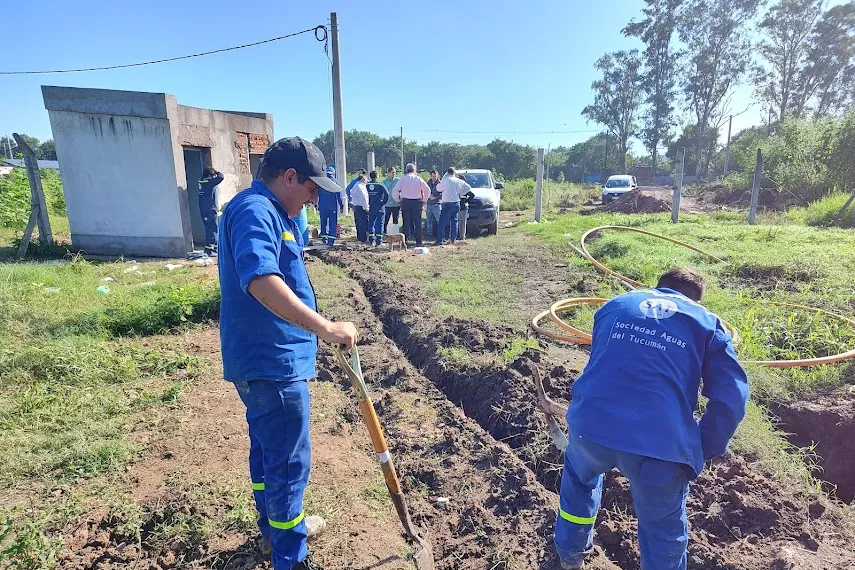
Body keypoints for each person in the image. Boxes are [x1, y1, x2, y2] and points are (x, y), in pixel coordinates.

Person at [218, 136, 358, 570]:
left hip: (270, 358)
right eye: (312, 186)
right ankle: (291, 557)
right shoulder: (255, 211)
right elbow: (261, 280)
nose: (316, 196)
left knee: (267, 453)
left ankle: (274, 530)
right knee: (287, 463)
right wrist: (326, 327)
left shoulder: (278, 211)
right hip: (271, 362)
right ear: (289, 176)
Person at [554, 268, 749, 570]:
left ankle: (569, 554)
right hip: (658, 446)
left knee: (580, 481)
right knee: (662, 530)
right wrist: (700, 448)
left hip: (590, 427)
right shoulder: (708, 325)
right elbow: (732, 399)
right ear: (696, 299)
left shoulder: (616, 305)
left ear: (659, 286)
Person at [392, 163, 430, 246]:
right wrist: (424, 200)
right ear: (414, 170)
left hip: (405, 202)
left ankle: (405, 241)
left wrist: (398, 200)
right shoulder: (418, 178)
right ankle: (418, 241)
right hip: (416, 202)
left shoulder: (402, 179)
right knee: (417, 222)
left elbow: (395, 190)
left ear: (406, 170)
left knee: (406, 222)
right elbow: (427, 189)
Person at [435, 167, 472, 245]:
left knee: (442, 222)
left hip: (447, 203)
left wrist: (443, 177)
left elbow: (438, 188)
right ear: (454, 173)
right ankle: (453, 239)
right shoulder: (458, 181)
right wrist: (460, 194)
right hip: (456, 202)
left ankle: (440, 239)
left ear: (447, 173)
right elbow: (468, 188)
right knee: (454, 221)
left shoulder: (445, 181)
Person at [198, 167, 224, 255]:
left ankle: (213, 249)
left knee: (210, 229)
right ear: (209, 175)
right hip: (210, 211)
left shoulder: (202, 182)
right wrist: (216, 171)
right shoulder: (209, 183)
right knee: (212, 230)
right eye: (212, 175)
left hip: (204, 210)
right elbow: (221, 177)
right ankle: (210, 250)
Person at [318, 166, 344, 246]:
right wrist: (341, 205)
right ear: (334, 173)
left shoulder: (321, 183)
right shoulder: (335, 182)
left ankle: (324, 238)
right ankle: (330, 241)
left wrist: (317, 204)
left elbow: (317, 194)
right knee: (332, 223)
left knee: (323, 222)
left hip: (322, 206)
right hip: (332, 207)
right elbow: (339, 196)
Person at [365, 170, 389, 247]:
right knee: (380, 224)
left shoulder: (367, 185)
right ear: (377, 176)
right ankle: (379, 242)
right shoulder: (380, 184)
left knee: (371, 223)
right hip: (379, 207)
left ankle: (371, 241)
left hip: (371, 207)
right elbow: (387, 193)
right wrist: (383, 202)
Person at [350, 173, 370, 243]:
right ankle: (363, 238)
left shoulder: (355, 185)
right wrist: (366, 208)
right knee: (363, 223)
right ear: (362, 179)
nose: (367, 180)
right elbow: (363, 198)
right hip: (361, 207)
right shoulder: (360, 187)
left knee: (358, 223)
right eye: (366, 179)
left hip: (356, 206)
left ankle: (359, 237)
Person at [382, 167, 401, 232]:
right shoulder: (384, 182)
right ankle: (384, 233)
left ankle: (395, 233)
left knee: (395, 220)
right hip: (387, 204)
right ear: (388, 173)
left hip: (396, 204)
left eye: (395, 172)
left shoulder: (398, 180)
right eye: (393, 172)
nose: (394, 174)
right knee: (385, 219)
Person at [425, 170, 442, 239]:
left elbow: (442, 194)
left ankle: (440, 235)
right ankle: (429, 235)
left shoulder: (440, 183)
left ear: (437, 176)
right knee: (429, 221)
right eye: (432, 176)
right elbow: (425, 190)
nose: (434, 177)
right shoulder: (428, 183)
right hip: (429, 204)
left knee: (439, 221)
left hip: (436, 204)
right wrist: (428, 196)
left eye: (435, 176)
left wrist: (435, 197)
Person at [458, 176, 475, 240]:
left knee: (463, 222)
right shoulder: (456, 188)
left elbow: (472, 195)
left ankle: (462, 236)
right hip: (456, 207)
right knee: (457, 222)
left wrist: (466, 200)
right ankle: (457, 235)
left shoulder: (465, 189)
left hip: (463, 207)